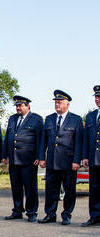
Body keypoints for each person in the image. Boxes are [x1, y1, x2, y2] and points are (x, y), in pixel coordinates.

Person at [38, 90, 83, 225]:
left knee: (69, 190)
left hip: (68, 162)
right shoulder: (50, 118)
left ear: (67, 104)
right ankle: (50, 214)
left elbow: (79, 142)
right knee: (51, 190)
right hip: (52, 161)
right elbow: (43, 141)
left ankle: (66, 214)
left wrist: (76, 160)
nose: (57, 105)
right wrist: (41, 157)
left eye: (60, 102)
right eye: (56, 102)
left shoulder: (76, 119)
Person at [2, 95, 43, 223]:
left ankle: (31, 212)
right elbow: (8, 137)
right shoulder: (13, 119)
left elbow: (40, 140)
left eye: (20, 105)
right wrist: (4, 155)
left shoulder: (36, 119)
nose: (18, 108)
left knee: (30, 188)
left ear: (27, 106)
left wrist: (39, 156)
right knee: (16, 187)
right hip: (14, 159)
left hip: (29, 160)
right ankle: (17, 211)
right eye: (16, 106)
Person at [81, 85, 100, 227]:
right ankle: (94, 216)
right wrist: (85, 156)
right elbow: (86, 138)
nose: (98, 99)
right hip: (94, 158)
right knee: (93, 188)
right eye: (96, 97)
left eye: (99, 97)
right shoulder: (91, 116)